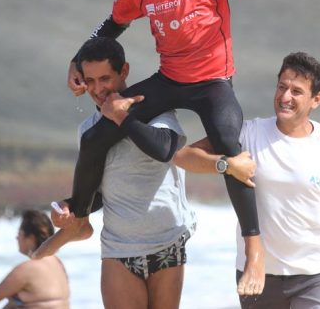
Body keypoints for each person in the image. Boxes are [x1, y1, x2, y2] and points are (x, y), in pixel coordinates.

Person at [37, 0, 310, 295]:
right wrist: (77, 61)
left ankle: (255, 249)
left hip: (214, 83)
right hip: (170, 78)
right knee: (97, 134)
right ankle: (78, 218)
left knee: (231, 148)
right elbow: (110, 28)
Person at [174, 52, 320, 308]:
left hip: (318, 273)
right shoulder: (248, 133)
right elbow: (184, 156)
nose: (285, 97)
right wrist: (225, 164)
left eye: (296, 91)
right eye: (282, 87)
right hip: (257, 273)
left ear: (316, 99)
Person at [41, 37, 254, 308]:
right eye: (90, 81)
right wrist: (69, 206)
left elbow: (164, 149)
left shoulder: (156, 112)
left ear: (124, 72)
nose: (98, 89)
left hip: (166, 241)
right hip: (119, 247)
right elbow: (101, 194)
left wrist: (122, 117)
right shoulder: (88, 130)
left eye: (105, 78)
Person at [0, 210, 70, 309]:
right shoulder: (57, 263)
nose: (17, 238)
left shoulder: (29, 268)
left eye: (20, 233)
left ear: (31, 238)